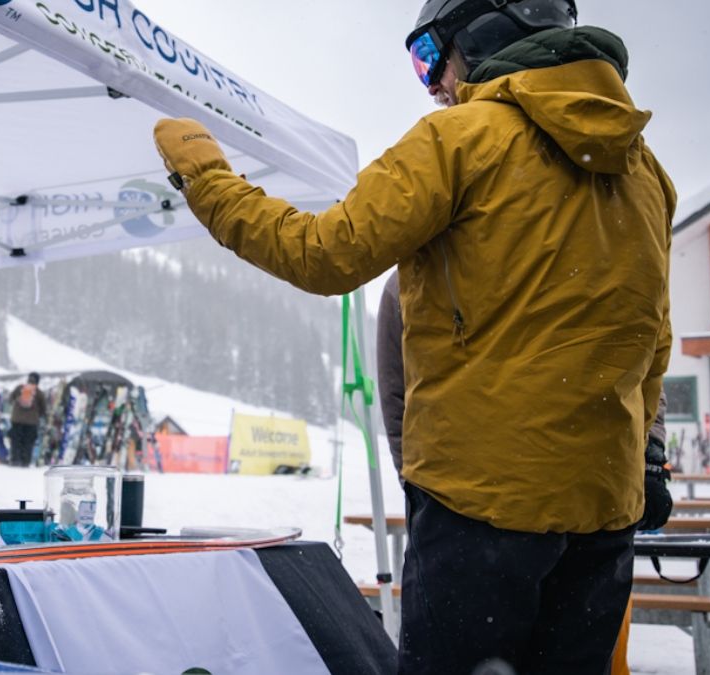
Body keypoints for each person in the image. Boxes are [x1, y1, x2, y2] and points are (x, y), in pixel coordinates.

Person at [151, 0, 674, 670]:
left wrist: (208, 180)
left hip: (481, 510)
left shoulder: (460, 138)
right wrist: (644, 462)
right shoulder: (646, 172)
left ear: (483, 35)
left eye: (430, 55)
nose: (431, 82)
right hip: (603, 519)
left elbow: (324, 253)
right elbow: (653, 338)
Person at [377, 270, 673, 673]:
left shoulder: (586, 244)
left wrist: (650, 453)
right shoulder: (419, 274)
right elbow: (399, 399)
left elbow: (641, 353)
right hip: (476, 518)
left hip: (583, 517)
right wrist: (419, 486)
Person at [8, 372, 47, 467]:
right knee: (28, 442)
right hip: (32, 422)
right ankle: (25, 461)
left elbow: (10, 399)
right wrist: (38, 415)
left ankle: (15, 460)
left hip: (16, 420)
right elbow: (43, 408)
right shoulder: (39, 393)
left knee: (16, 441)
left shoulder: (20, 388)